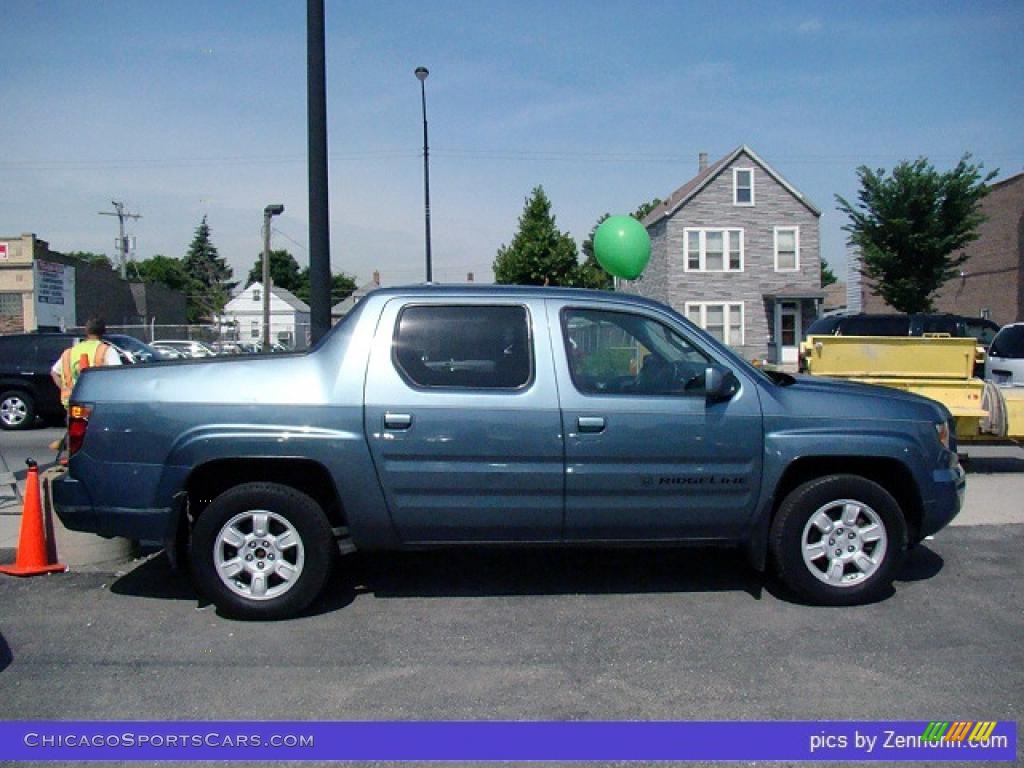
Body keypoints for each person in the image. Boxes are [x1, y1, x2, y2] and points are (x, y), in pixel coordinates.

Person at [49, 317, 121, 452]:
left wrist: (65, 388)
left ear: (86, 331)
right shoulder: (106, 350)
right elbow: (118, 375)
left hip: (74, 404)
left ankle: (74, 464)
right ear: (103, 332)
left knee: (76, 443)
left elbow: (54, 372)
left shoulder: (70, 352)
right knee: (99, 444)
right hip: (97, 405)